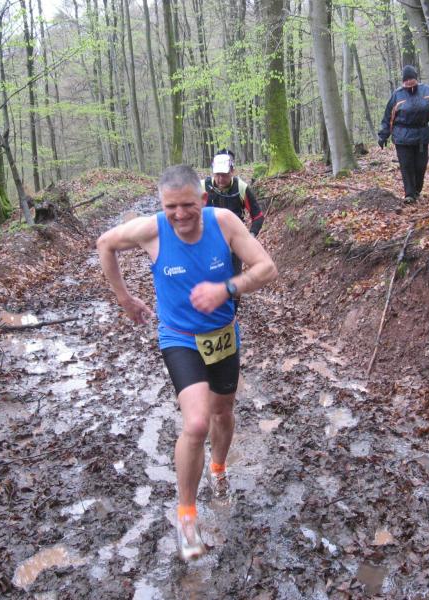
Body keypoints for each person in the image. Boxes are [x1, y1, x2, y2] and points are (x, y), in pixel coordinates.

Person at [96, 165, 278, 561]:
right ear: (161, 205)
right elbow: (104, 243)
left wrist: (227, 288)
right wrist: (124, 299)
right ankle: (186, 517)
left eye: (188, 206)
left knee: (223, 412)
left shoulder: (224, 222)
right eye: (171, 207)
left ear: (203, 199)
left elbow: (267, 268)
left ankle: (218, 469)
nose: (180, 215)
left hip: (223, 334)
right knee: (196, 423)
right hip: (179, 338)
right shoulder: (151, 230)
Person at [377, 65, 429, 204]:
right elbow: (388, 117)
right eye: (406, 79)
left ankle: (417, 191)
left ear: (416, 78)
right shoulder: (397, 95)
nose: (409, 81)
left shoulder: (427, 90)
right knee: (407, 165)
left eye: (411, 78)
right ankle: (409, 194)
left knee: (421, 166)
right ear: (403, 81)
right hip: (402, 136)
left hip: (421, 135)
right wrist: (383, 135)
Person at [203, 149, 265, 277]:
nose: (220, 179)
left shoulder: (241, 188)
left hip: (234, 245)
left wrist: (250, 237)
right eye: (217, 174)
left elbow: (258, 216)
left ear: (232, 171)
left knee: (234, 281)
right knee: (210, 280)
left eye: (224, 175)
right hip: (208, 244)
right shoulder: (202, 187)